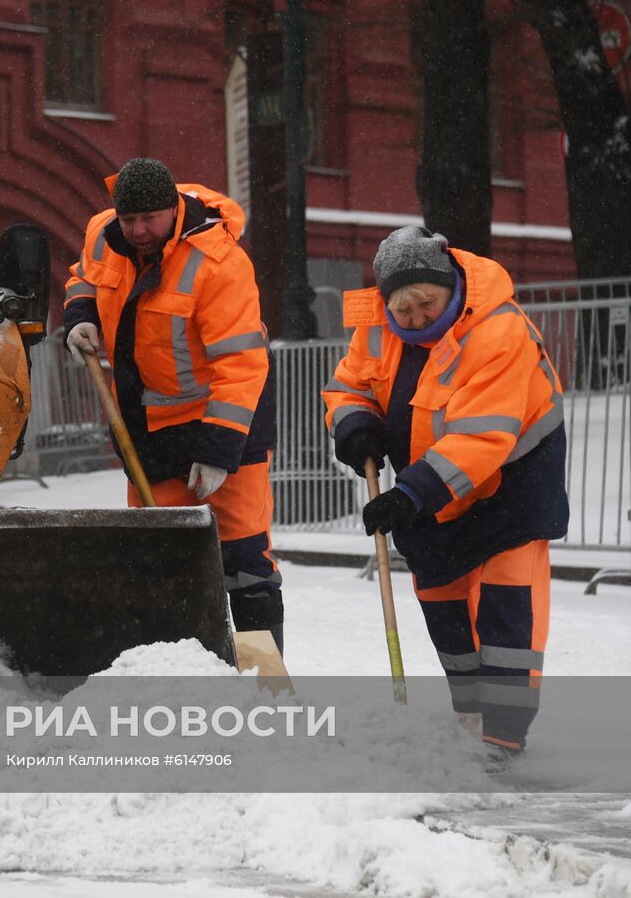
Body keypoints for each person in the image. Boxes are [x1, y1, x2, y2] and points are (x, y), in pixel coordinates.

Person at [323, 225, 568, 757]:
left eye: (425, 306)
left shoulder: (498, 330)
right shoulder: (377, 325)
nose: (413, 320)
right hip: (430, 484)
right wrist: (356, 424)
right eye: (401, 310)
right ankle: (470, 717)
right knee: (443, 602)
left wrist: (410, 494)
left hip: (513, 484)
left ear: (450, 285)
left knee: (508, 610)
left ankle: (503, 739)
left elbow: (483, 435)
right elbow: (349, 385)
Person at [63, 158, 282, 649]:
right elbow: (84, 275)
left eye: (150, 220)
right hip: (149, 430)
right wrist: (79, 314)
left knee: (244, 558)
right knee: (160, 564)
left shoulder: (219, 263)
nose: (138, 231)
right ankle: (184, 678)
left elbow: (241, 363)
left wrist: (218, 450)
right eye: (129, 220)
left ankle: (263, 684)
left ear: (175, 210)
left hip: (225, 422)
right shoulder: (104, 233)